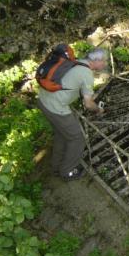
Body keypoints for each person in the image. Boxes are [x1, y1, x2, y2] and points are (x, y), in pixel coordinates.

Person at [37, 47, 108, 180]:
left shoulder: (76, 62)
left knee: (62, 135)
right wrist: (99, 109)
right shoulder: (86, 73)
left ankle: (56, 166)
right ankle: (67, 171)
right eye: (104, 61)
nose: (105, 64)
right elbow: (88, 104)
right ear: (96, 60)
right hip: (56, 108)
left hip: (43, 100)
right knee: (77, 138)